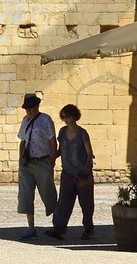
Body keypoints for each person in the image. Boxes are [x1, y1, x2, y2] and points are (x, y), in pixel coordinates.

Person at [48, 103, 96, 240]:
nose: (66, 120)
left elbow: (89, 152)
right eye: (64, 117)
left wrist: (87, 168)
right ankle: (59, 229)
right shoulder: (62, 132)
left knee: (86, 204)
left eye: (68, 116)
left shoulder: (82, 133)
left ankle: (89, 229)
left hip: (82, 176)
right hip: (67, 174)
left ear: (74, 116)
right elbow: (60, 150)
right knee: (63, 202)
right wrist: (51, 157)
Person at [15, 93, 57, 239]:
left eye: (31, 108)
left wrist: (52, 159)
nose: (29, 111)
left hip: (42, 162)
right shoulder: (25, 120)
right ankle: (31, 228)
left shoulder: (45, 120)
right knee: (26, 194)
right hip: (27, 163)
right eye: (27, 109)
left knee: (48, 193)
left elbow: (52, 140)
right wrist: (21, 159)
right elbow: (22, 140)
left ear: (37, 106)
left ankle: (58, 226)